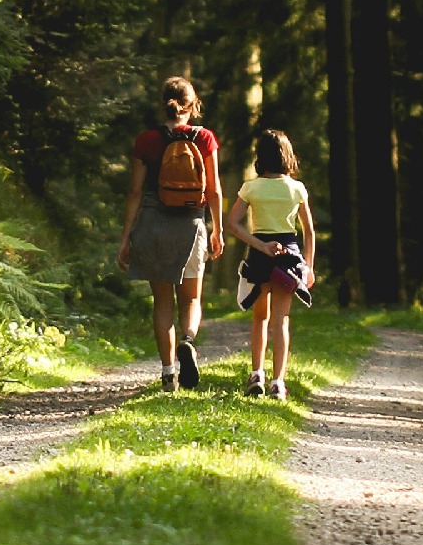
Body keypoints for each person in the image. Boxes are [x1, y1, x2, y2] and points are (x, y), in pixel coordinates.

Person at [117, 76, 225, 391]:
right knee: (191, 298)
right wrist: (217, 229)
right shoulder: (204, 138)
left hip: (152, 224)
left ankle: (168, 375)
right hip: (191, 223)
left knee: (162, 300)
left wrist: (126, 237)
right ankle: (188, 341)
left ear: (164, 103)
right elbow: (214, 189)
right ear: (193, 105)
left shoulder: (147, 140)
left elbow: (135, 192)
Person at [228, 129, 314, 400]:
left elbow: (232, 224)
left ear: (259, 157)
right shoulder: (296, 188)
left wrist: (259, 245)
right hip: (289, 255)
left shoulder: (251, 188)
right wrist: (309, 267)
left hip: (259, 254)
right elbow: (309, 231)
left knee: (259, 318)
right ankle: (278, 381)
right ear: (287, 156)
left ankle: (257, 374)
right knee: (281, 321)